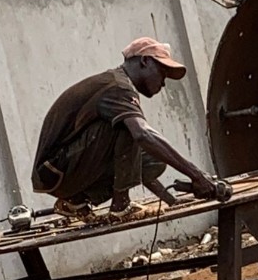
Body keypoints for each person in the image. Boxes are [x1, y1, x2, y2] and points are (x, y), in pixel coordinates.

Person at [31, 37, 216, 221]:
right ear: (145, 61)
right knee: (132, 129)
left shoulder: (118, 86)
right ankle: (121, 206)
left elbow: (130, 158)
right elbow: (141, 135)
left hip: (59, 172)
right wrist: (196, 175)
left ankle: (75, 200)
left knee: (153, 161)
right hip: (55, 171)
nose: (163, 83)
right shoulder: (118, 88)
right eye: (162, 73)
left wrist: (171, 201)